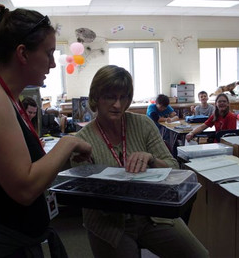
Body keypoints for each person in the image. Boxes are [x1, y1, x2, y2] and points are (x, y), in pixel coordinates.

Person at [0, 3, 92, 257]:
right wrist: (69, 143)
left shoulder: (9, 99)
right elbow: (25, 188)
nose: (53, 64)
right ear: (23, 53)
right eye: (48, 53)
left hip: (12, 242)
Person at [73, 65, 209, 258]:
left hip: (154, 214)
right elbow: (88, 196)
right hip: (109, 223)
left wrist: (152, 159)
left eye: (124, 97)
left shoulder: (143, 124)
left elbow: (174, 168)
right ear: (96, 97)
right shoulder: (82, 141)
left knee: (200, 255)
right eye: (111, 97)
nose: (118, 105)